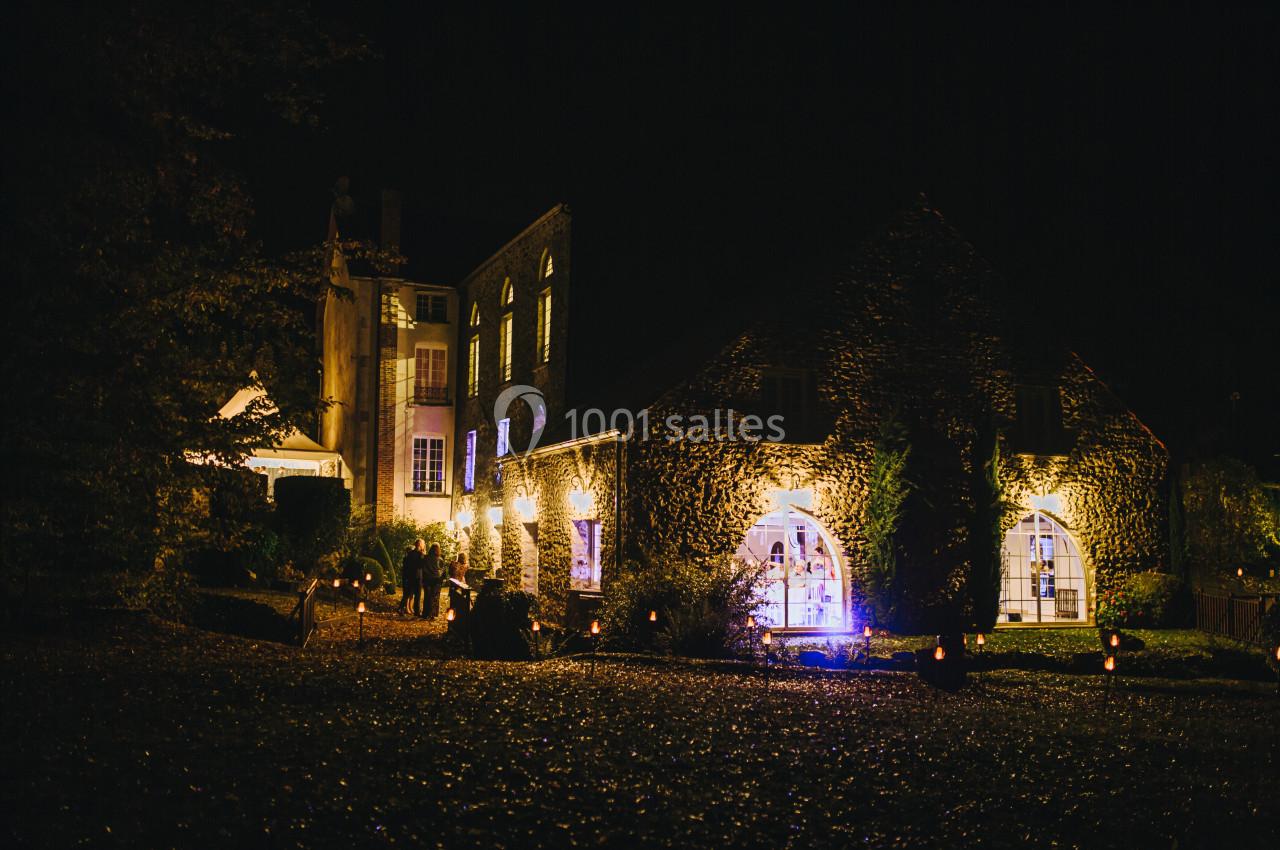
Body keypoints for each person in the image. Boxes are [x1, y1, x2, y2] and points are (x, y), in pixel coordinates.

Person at [400, 539, 426, 617]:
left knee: (408, 594)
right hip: (418, 577)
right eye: (423, 544)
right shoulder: (421, 554)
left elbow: (407, 565)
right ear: (420, 545)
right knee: (417, 595)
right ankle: (417, 612)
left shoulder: (410, 554)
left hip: (410, 576)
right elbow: (422, 566)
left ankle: (401, 608)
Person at [422, 542, 444, 618]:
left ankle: (426, 613)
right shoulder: (440, 559)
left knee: (427, 596)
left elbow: (423, 568)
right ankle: (433, 614)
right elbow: (442, 570)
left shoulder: (426, 558)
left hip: (427, 579)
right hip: (436, 580)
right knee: (435, 597)